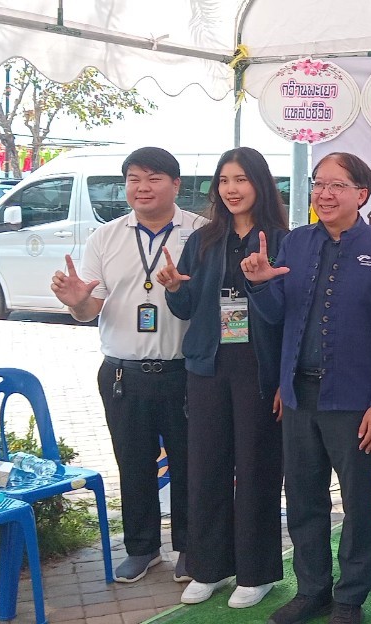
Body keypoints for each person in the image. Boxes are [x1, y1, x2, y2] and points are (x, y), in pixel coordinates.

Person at [242, 152, 371, 624]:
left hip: (354, 404)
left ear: (362, 194)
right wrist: (260, 285)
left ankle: (350, 598)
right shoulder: (296, 243)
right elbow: (276, 317)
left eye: (337, 186)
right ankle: (311, 590)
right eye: (319, 184)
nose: (325, 194)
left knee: (357, 505)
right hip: (299, 398)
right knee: (303, 499)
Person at [50, 146, 203, 583]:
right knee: (133, 463)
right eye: (134, 179)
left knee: (190, 463)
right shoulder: (105, 237)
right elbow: (89, 310)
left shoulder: (201, 233)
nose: (142, 187)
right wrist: (77, 302)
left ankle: (190, 548)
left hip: (185, 372)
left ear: (176, 184)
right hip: (123, 374)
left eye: (154, 178)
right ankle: (142, 548)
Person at [157, 147, 288, 608]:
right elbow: (187, 308)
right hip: (207, 367)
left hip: (258, 369)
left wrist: (283, 380)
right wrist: (174, 289)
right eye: (225, 180)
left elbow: (289, 315)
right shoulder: (203, 240)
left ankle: (257, 572)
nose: (231, 189)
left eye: (241, 180)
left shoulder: (282, 240)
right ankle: (208, 567)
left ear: (260, 184)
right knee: (205, 468)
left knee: (256, 469)